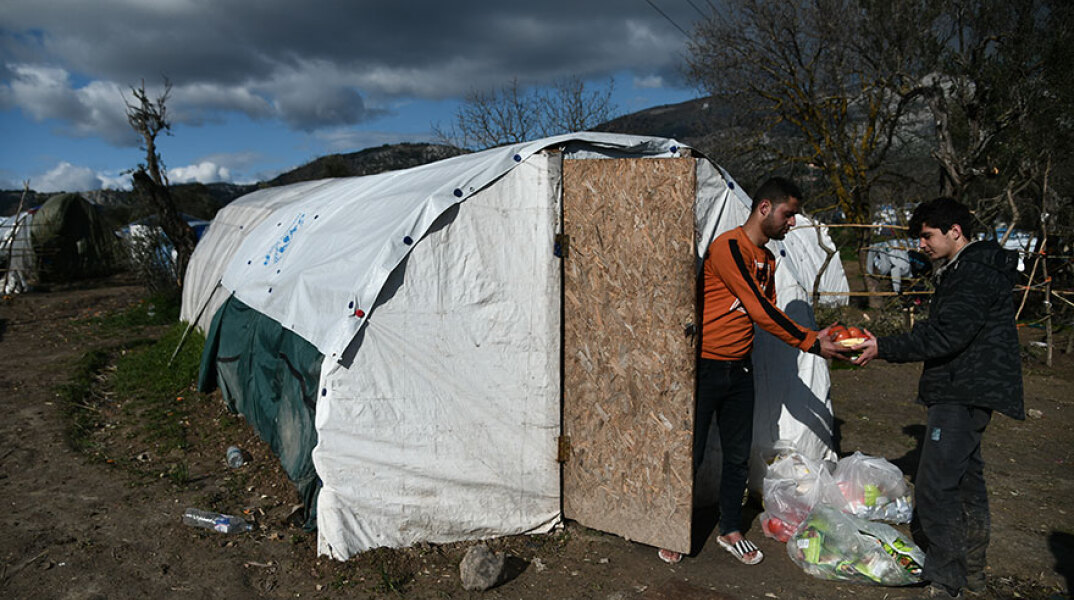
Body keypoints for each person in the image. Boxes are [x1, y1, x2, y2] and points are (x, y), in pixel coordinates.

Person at [658, 176, 848, 565]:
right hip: (706, 366)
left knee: (737, 454)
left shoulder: (769, 259)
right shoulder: (727, 247)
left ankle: (729, 528)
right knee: (688, 454)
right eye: (788, 214)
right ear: (764, 207)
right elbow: (761, 310)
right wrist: (813, 341)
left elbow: (765, 313)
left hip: (739, 369)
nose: (792, 222)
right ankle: (671, 529)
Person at [853, 197, 1025, 599]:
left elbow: (948, 335)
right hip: (968, 387)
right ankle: (973, 574)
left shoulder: (973, 273)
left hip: (963, 390)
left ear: (955, 232)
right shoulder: (966, 268)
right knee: (966, 482)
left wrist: (885, 347)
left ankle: (947, 580)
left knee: (934, 486)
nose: (922, 244)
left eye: (928, 236)